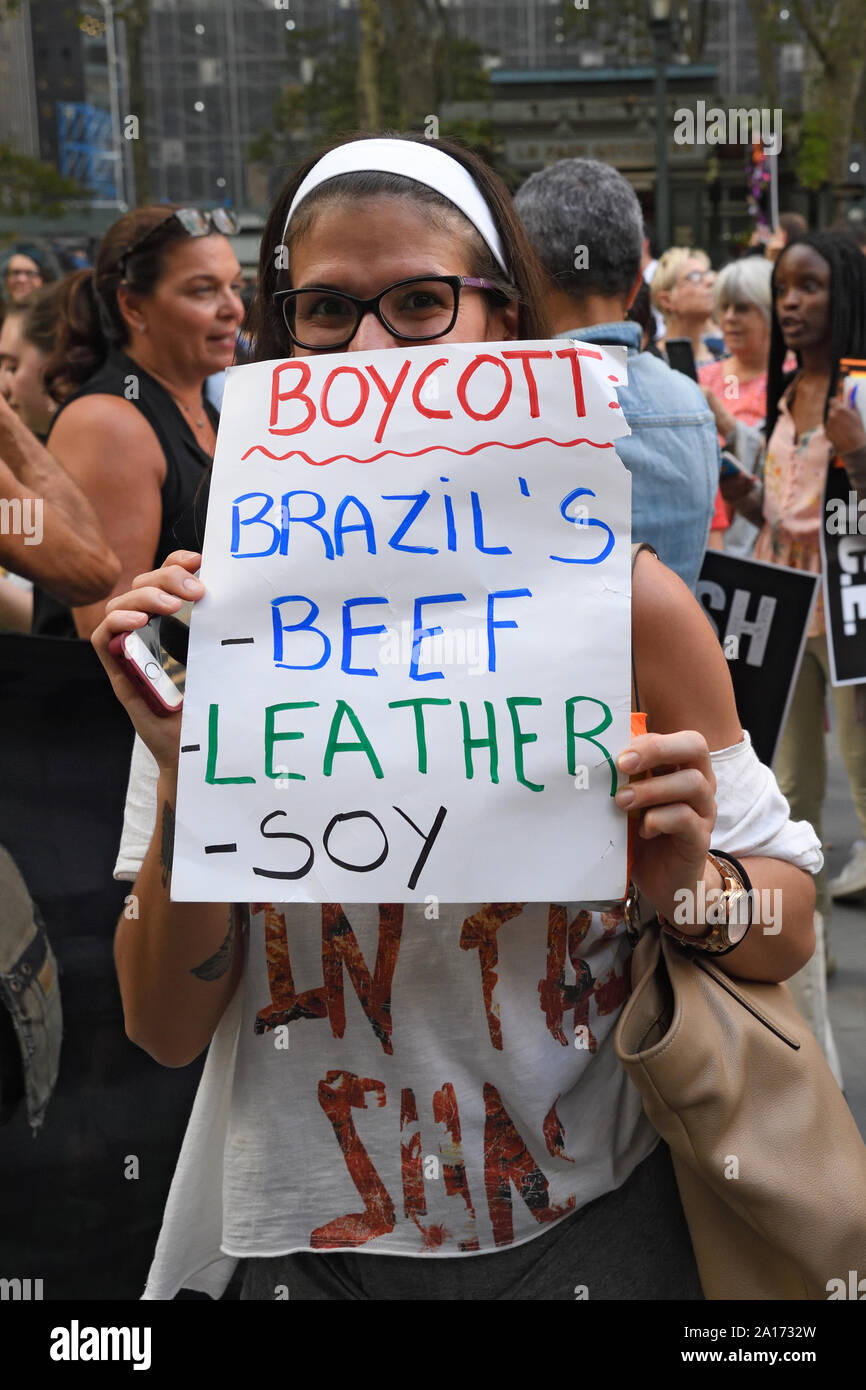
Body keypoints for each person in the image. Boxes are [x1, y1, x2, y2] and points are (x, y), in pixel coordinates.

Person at [93, 134, 819, 1303]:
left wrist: (684, 881)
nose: (372, 350)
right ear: (282, 334)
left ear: (503, 323)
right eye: (326, 309)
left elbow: (785, 924)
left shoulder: (625, 599)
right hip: (303, 1250)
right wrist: (191, 785)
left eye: (421, 303)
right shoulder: (218, 621)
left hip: (589, 1232)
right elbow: (163, 1026)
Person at [723, 231, 866, 915]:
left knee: (865, 781)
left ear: (844, 296)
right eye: (783, 289)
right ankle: (805, 963)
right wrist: (750, 499)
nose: (791, 303)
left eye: (810, 287)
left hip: (849, 616)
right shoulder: (786, 391)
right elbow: (787, 504)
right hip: (782, 611)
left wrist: (861, 457)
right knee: (790, 788)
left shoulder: (861, 391)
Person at [30, 206, 244, 639]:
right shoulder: (110, 423)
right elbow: (109, 625)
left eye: (235, 287)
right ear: (133, 306)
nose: (234, 309)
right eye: (204, 291)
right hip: (109, 703)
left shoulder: (206, 407)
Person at [513, 158, 718, 592]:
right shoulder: (689, 402)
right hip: (678, 657)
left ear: (525, 277)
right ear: (632, 291)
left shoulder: (499, 407)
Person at [698, 257, 773, 557]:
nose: (729, 317)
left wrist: (726, 422)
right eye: (724, 307)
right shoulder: (704, 377)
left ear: (769, 313)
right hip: (705, 538)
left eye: (742, 308)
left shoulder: (790, 384)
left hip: (758, 543)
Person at [650, 246, 718, 368]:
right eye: (695, 277)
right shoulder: (650, 364)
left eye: (707, 274)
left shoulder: (723, 359)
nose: (709, 282)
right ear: (666, 300)